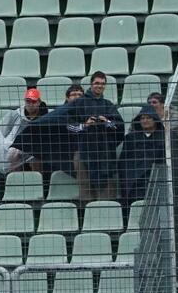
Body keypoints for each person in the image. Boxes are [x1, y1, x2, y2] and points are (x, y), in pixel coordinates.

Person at [31, 71, 124, 202]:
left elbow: (118, 127)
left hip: (105, 154)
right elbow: (68, 126)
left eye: (103, 84)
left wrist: (106, 122)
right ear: (91, 84)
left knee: (107, 195)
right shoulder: (78, 104)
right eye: (97, 83)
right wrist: (84, 125)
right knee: (86, 193)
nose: (100, 86)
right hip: (82, 152)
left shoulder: (108, 105)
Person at [118, 106, 167, 216]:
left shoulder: (165, 137)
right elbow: (124, 162)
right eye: (142, 118)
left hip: (157, 180)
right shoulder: (131, 138)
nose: (145, 120)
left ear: (155, 119)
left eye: (148, 118)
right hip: (135, 182)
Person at [0, 88, 49, 174]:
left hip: (39, 145)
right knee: (12, 154)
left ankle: (38, 182)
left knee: (35, 158)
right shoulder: (18, 114)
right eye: (28, 101)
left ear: (39, 102)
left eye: (34, 102)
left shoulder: (45, 115)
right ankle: (16, 180)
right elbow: (4, 130)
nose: (30, 104)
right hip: (23, 143)